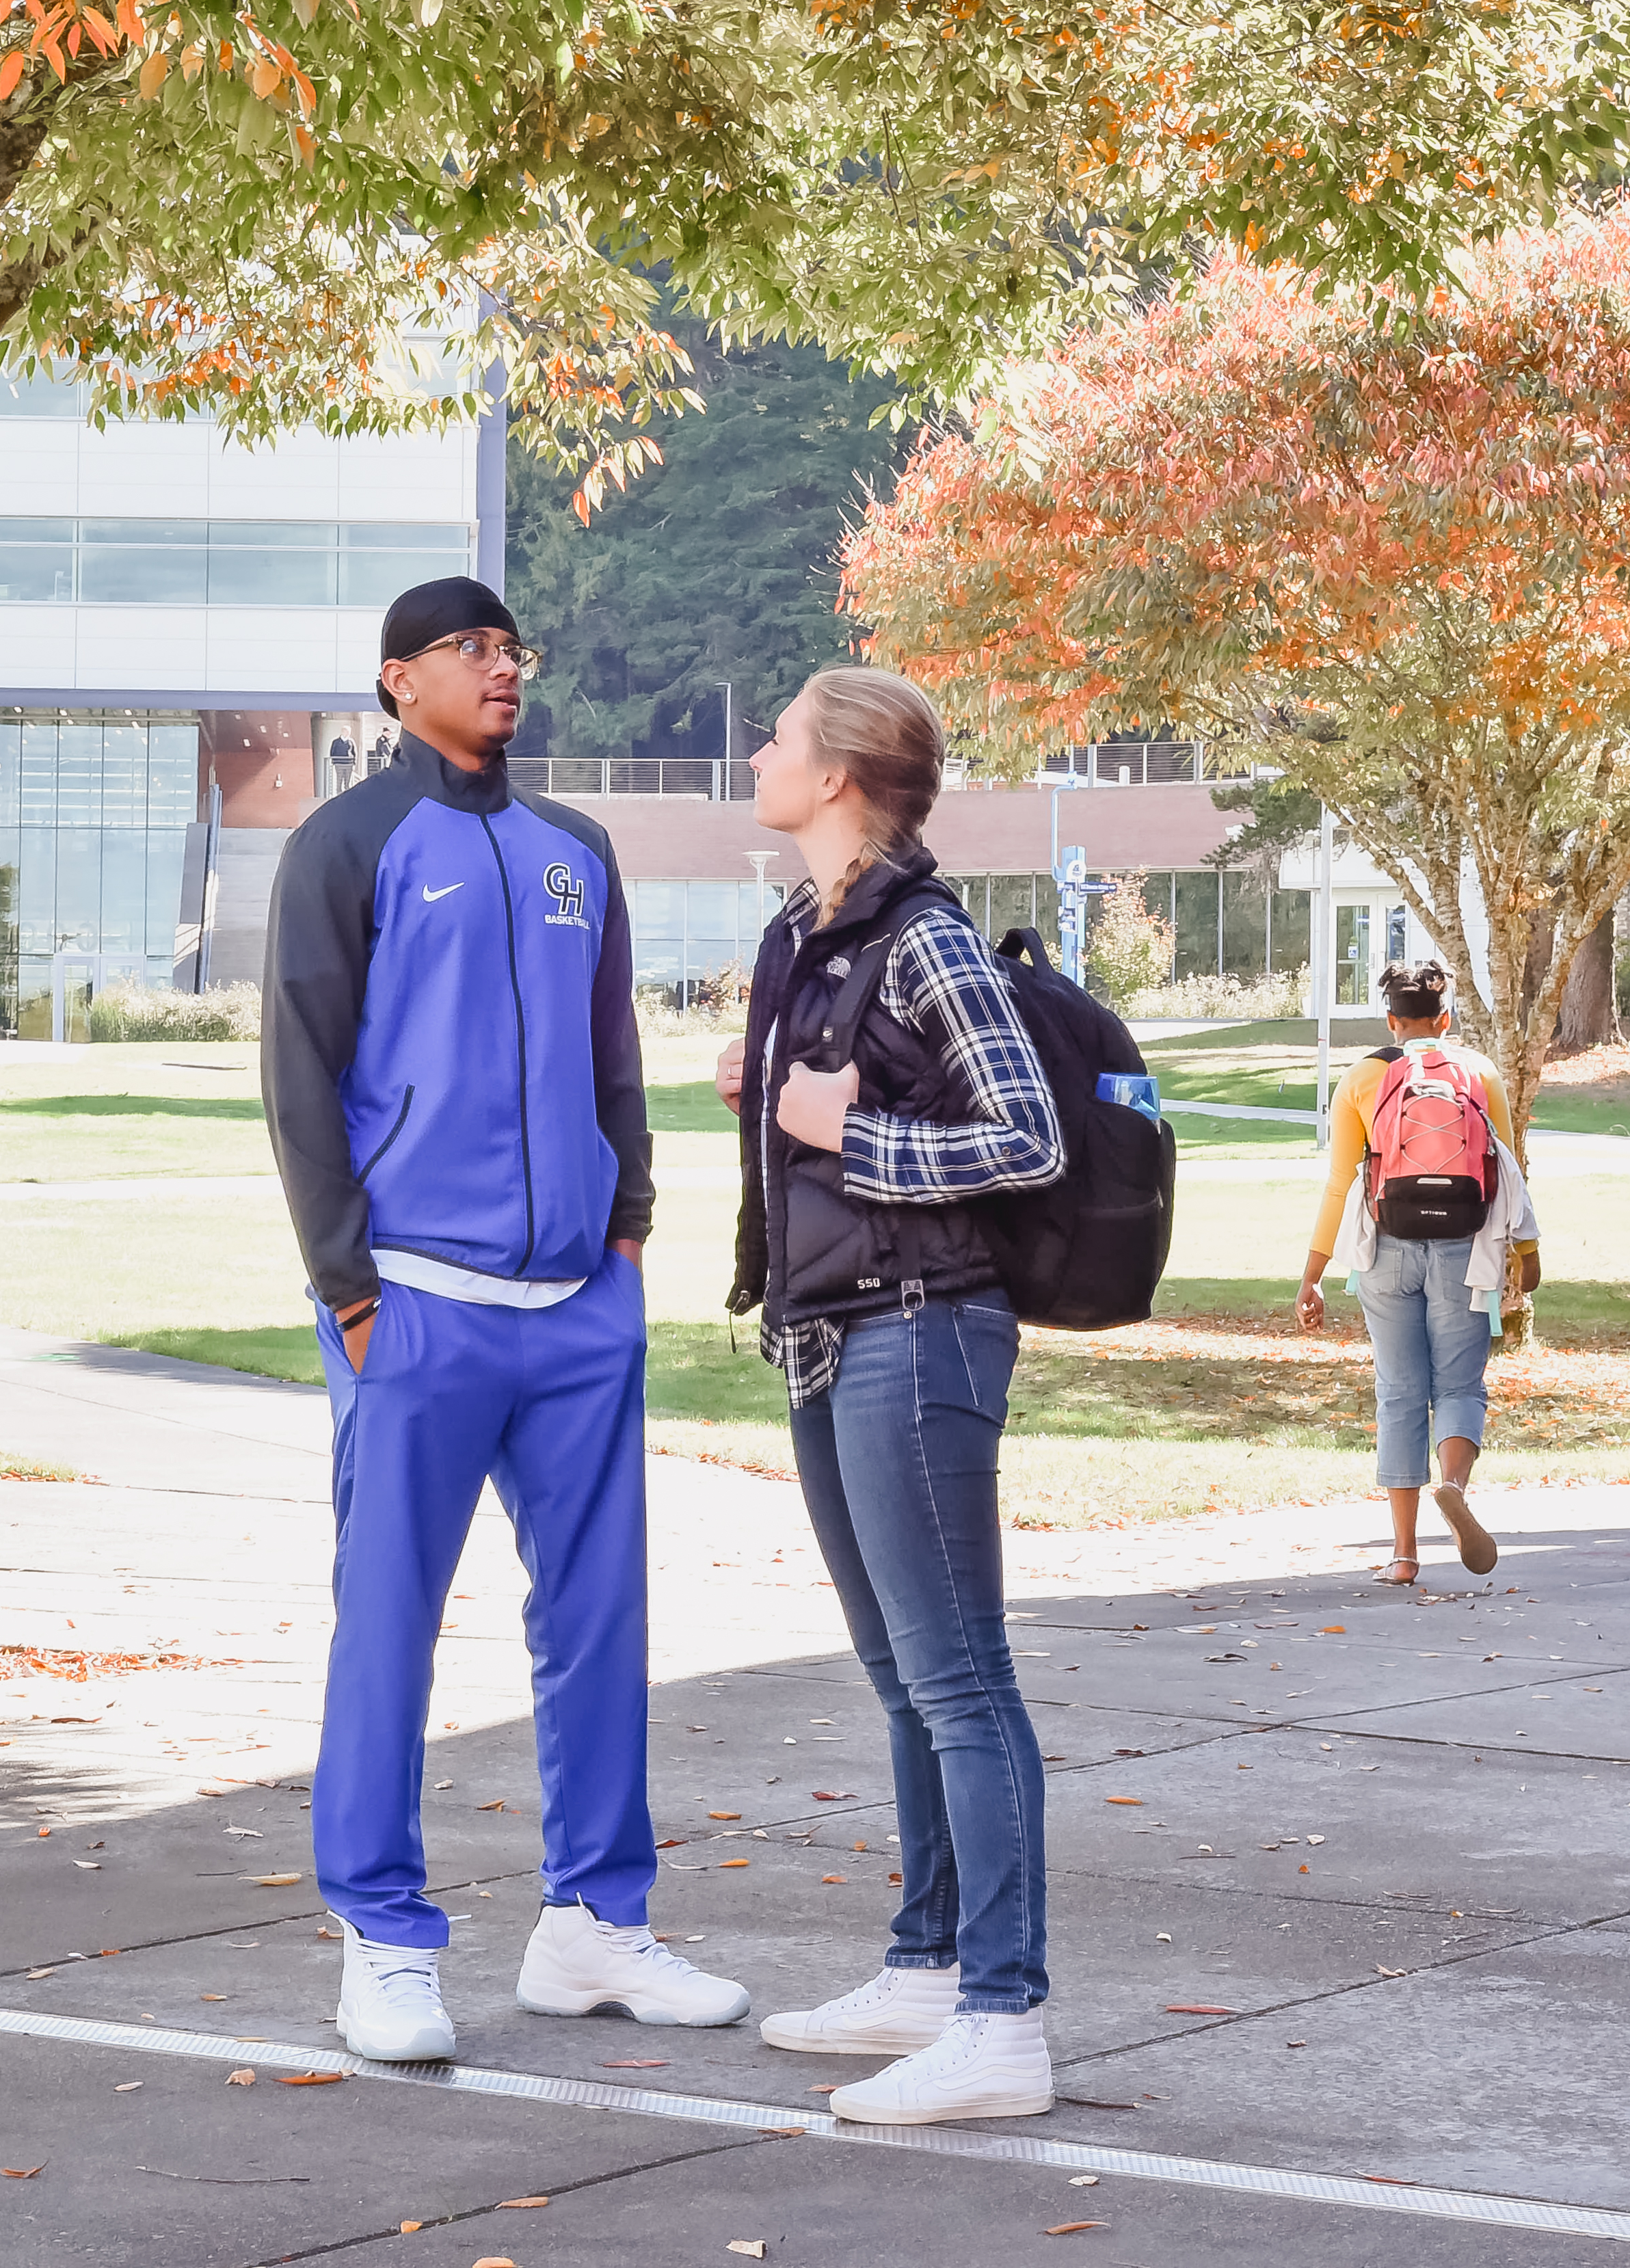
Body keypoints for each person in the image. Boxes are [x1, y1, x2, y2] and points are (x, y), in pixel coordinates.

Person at [262, 574, 749, 2065]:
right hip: (416, 1301)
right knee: (389, 1630)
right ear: (399, 680)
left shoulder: (576, 852)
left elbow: (616, 1057)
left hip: (577, 1308)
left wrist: (630, 1228)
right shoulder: (347, 844)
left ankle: (594, 1925)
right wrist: (351, 1285)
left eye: (513, 647)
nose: (503, 667)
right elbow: (300, 1074)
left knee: (601, 1624)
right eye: (471, 648)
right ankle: (385, 1934)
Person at [713, 665, 1067, 2126]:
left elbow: (1028, 1134)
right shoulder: (805, 934)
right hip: (829, 1334)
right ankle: (927, 1968)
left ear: (844, 775)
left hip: (918, 1337)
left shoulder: (923, 939)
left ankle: (1004, 2017)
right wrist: (775, 1094)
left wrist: (846, 1136)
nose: (757, 751)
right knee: (902, 1675)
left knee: (960, 1677)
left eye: (781, 736)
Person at [1295, 961, 1540, 1585]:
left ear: (1389, 1021)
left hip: (1385, 1253)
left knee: (1399, 1393)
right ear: (1445, 1019)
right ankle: (1453, 1485)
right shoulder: (1478, 1073)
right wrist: (1521, 1256)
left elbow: (1338, 1186)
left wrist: (1313, 1274)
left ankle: (1403, 1555)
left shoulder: (1360, 1079)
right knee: (1458, 1386)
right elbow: (1507, 1172)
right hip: (1462, 1253)